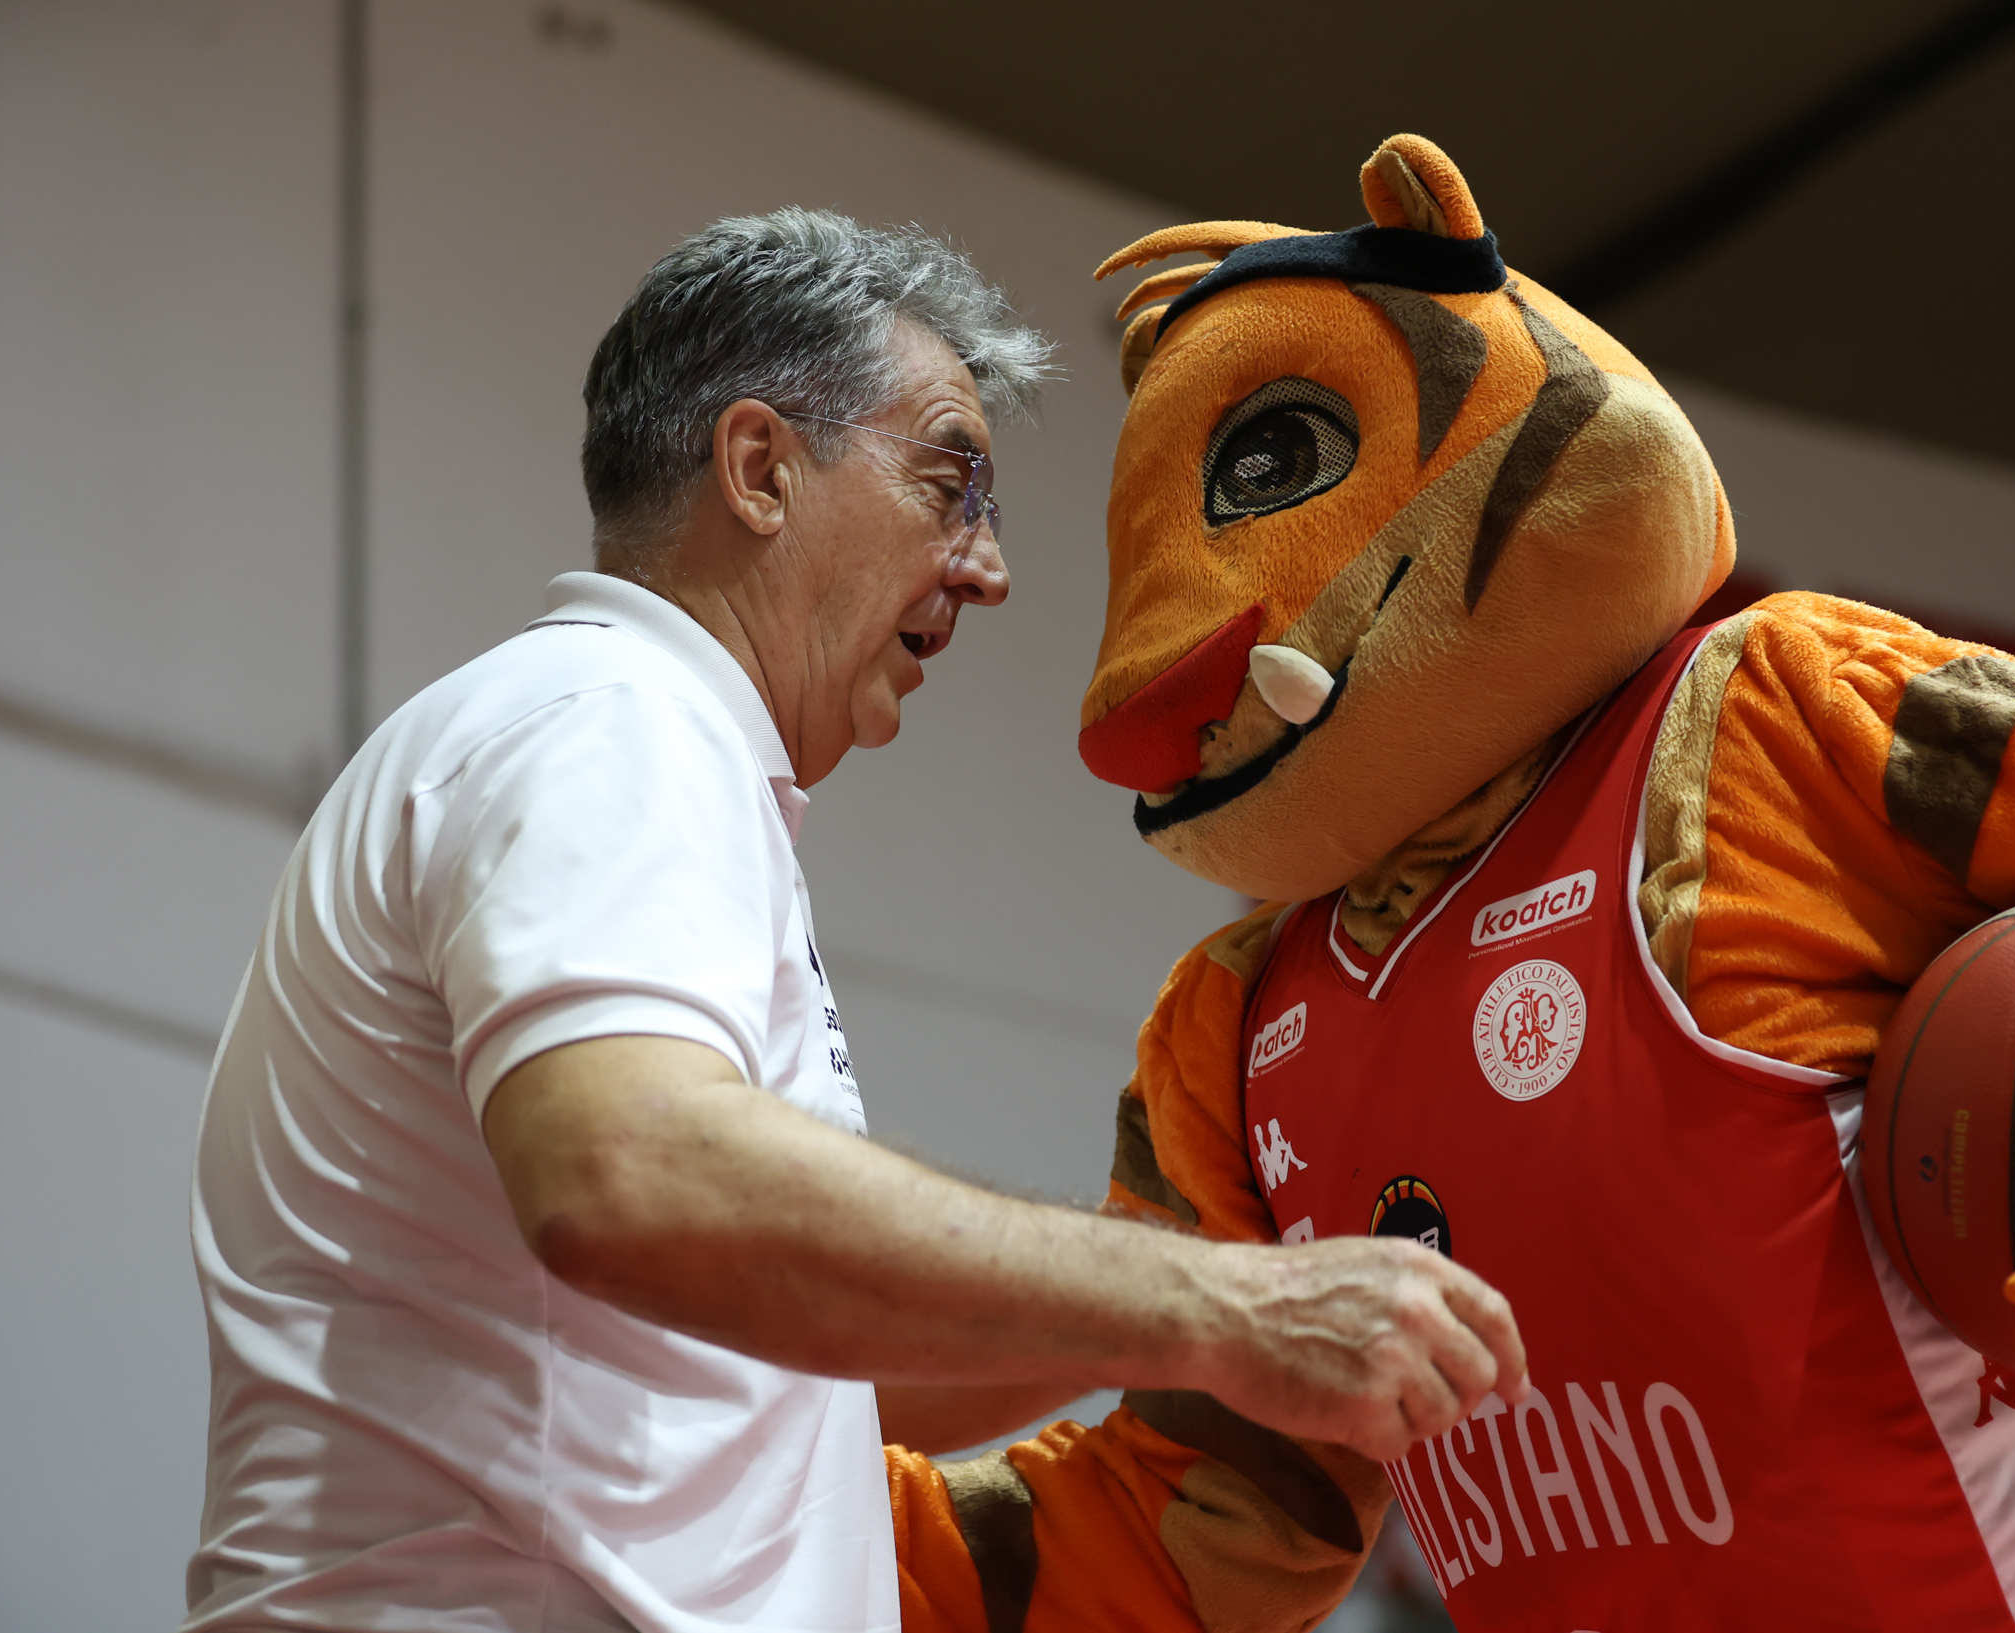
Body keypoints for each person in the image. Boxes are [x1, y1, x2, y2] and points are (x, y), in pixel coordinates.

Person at [181, 208, 1526, 1632]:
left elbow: (825, 1370)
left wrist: (1227, 1294)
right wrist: (1216, 1304)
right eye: (952, 482)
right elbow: (625, 1170)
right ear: (761, 469)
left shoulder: (610, 735)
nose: (990, 569)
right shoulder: (618, 719)